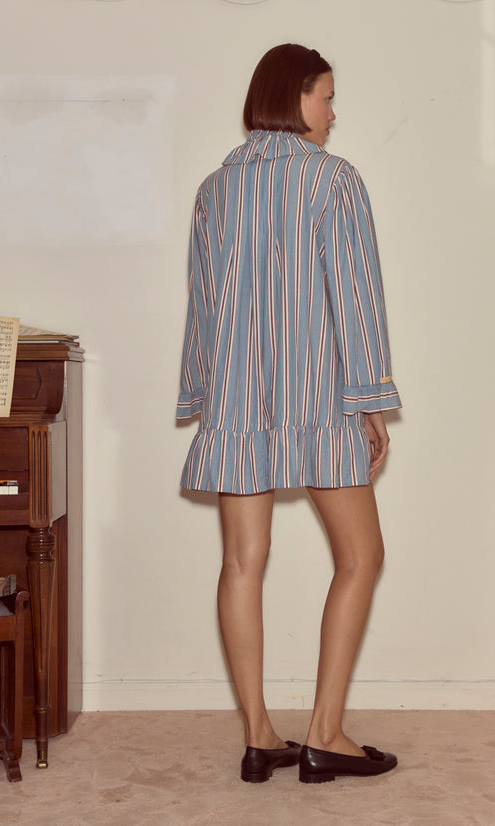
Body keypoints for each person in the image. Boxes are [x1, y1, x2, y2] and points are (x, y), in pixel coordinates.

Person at [176, 43, 402, 784]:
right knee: (362, 558)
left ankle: (259, 737)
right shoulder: (333, 181)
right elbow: (357, 301)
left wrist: (202, 397)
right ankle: (325, 735)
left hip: (237, 406)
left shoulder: (214, 190)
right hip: (321, 401)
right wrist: (370, 401)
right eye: (326, 97)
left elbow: (203, 307)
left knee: (241, 563)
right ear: (294, 96)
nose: (333, 113)